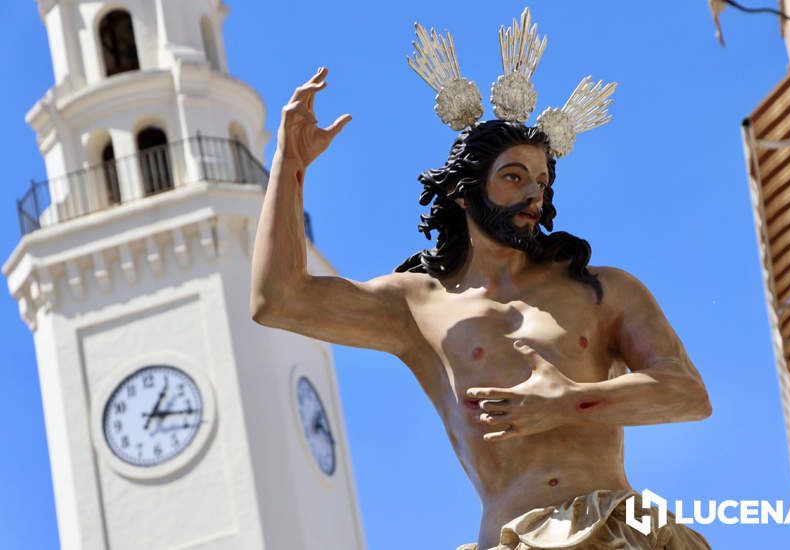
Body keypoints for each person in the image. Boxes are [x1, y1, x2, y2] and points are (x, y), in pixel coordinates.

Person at [250, 66, 712, 549]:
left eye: (541, 180)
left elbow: (688, 394)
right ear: (463, 192)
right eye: (514, 177)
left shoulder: (603, 290)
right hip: (511, 537)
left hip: (616, 530)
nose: (534, 193)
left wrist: (568, 401)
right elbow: (277, 300)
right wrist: (290, 164)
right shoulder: (416, 306)